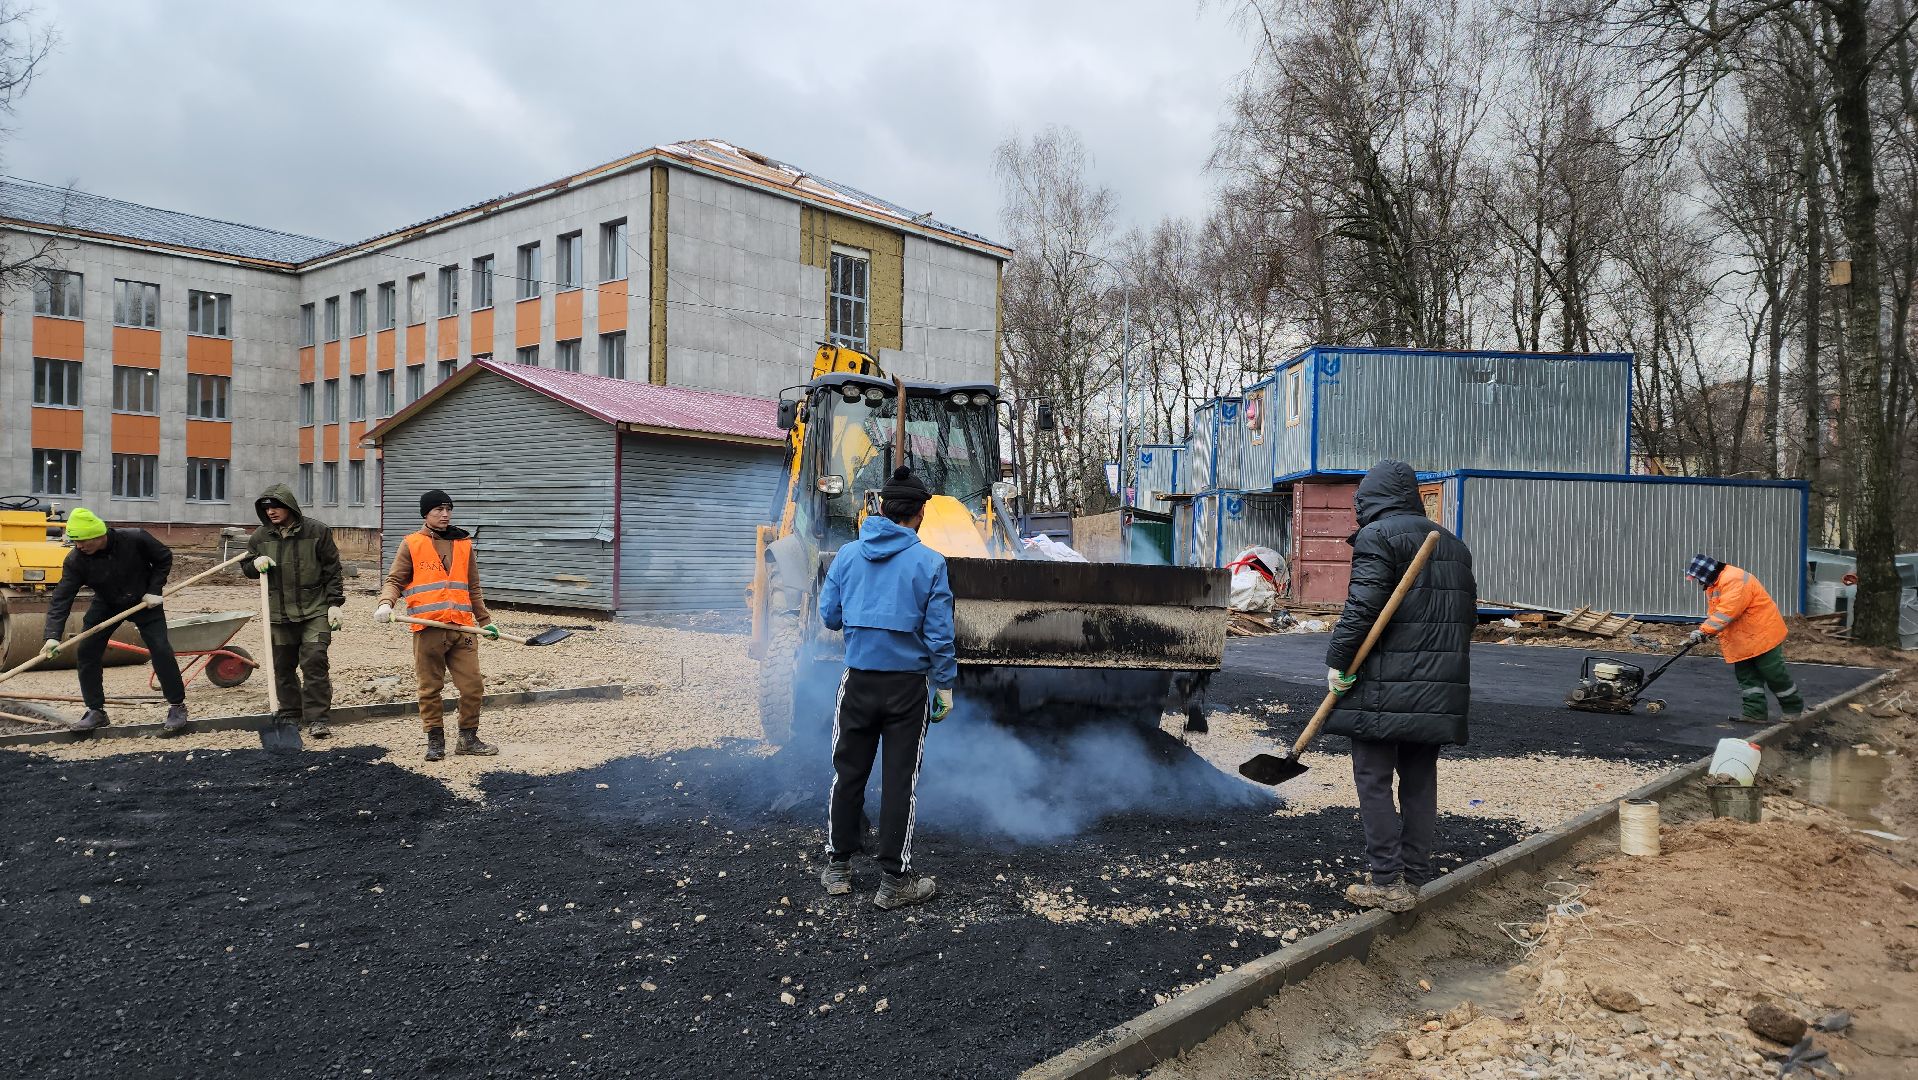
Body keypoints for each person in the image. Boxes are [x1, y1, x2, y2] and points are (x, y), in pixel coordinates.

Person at [1324, 460, 1477, 913]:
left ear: (1370, 499)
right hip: (1437, 689)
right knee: (1418, 779)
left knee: (1372, 778)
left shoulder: (1378, 537)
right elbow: (1464, 618)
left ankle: (1387, 881)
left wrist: (1338, 662)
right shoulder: (1453, 545)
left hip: (1382, 688)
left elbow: (1361, 609)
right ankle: (1414, 876)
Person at [817, 466, 956, 911]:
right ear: (919, 514)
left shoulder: (846, 556)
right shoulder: (931, 563)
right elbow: (939, 636)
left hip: (857, 683)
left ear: (879, 508)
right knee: (900, 782)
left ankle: (838, 867)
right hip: (907, 691)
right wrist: (946, 686)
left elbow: (830, 617)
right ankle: (895, 882)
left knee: (848, 773)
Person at [373, 489, 501, 762]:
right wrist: (386, 603)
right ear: (426, 514)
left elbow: (473, 587)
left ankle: (467, 738)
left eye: (448, 509)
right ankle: (435, 740)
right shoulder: (412, 544)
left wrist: (486, 621)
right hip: (428, 627)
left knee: (472, 687)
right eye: (438, 510)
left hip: (462, 629)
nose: (445, 514)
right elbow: (395, 581)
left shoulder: (463, 543)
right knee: (430, 687)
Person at [38, 508, 190, 734]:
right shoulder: (76, 560)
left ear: (99, 535)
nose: (78, 546)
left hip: (144, 600)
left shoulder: (135, 538)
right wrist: (52, 636)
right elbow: (62, 597)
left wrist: (155, 588)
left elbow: (164, 557)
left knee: (160, 648)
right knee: (87, 651)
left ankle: (177, 706)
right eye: (74, 541)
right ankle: (95, 711)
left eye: (82, 541)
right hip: (107, 604)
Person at [242, 484, 345, 738]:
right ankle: (289, 713)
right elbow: (245, 566)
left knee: (314, 660)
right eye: (266, 509)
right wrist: (255, 565)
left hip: (315, 609)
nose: (271, 513)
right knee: (282, 666)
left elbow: (332, 569)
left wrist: (334, 604)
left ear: (289, 507)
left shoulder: (317, 532)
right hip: (278, 613)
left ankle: (317, 718)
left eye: (276, 507)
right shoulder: (260, 538)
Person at [1684, 554, 1803, 724]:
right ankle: (1754, 713)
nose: (1698, 582)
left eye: (1699, 579)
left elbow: (1727, 611)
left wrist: (1704, 630)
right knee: (1747, 677)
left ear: (1706, 574)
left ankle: (1793, 708)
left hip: (1762, 634)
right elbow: (1718, 613)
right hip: (1742, 637)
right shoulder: (1714, 584)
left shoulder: (1734, 579)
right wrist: (1708, 632)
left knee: (1774, 674)